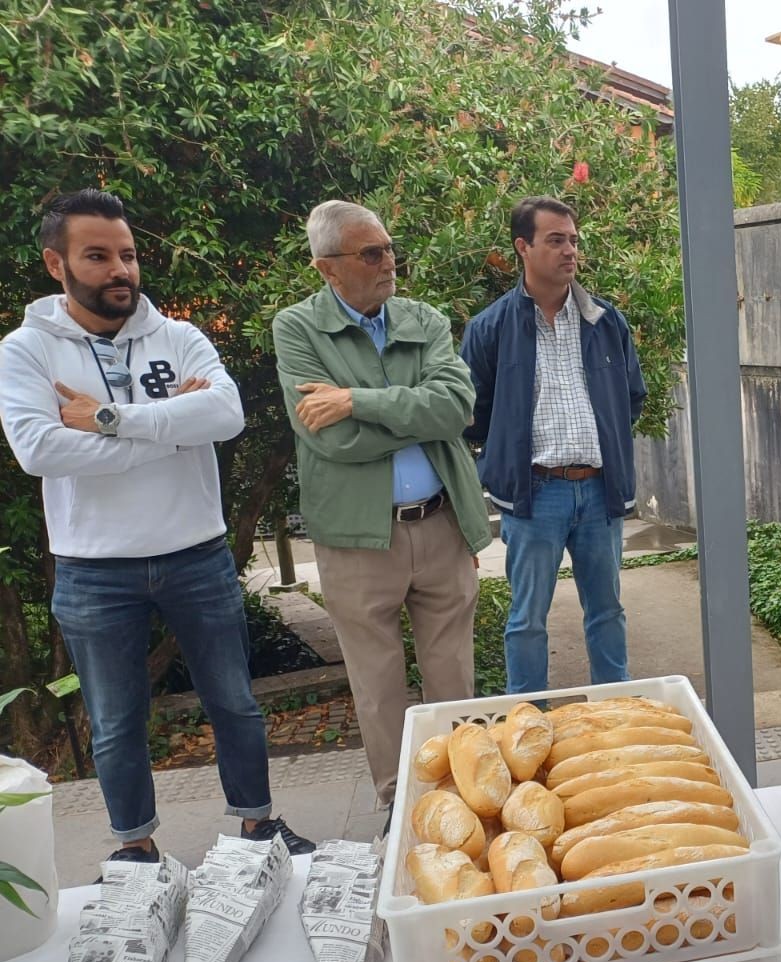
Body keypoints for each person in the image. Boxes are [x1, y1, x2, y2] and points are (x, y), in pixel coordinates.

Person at [0, 188, 313, 863]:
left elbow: (225, 417)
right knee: (115, 721)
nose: (121, 269)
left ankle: (259, 827)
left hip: (194, 554)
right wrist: (174, 430)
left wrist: (110, 420)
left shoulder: (178, 336)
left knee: (234, 701)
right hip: (93, 568)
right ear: (57, 265)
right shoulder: (26, 351)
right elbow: (39, 449)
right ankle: (134, 846)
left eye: (129, 254)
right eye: (98, 256)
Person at [272, 200, 489, 808]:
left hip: (442, 524)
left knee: (454, 680)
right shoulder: (296, 327)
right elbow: (332, 438)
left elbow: (457, 408)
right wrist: (412, 412)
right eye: (371, 253)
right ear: (328, 269)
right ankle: (403, 807)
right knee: (377, 686)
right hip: (356, 539)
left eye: (390, 248)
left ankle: (466, 801)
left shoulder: (422, 318)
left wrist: (358, 401)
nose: (389, 262)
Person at [461, 195, 646, 694]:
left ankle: (614, 711)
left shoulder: (605, 322)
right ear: (523, 247)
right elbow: (471, 415)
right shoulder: (490, 328)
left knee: (607, 611)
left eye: (574, 241)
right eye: (556, 240)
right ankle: (527, 720)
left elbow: (631, 398)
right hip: (533, 494)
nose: (569, 251)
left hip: (598, 490)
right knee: (527, 617)